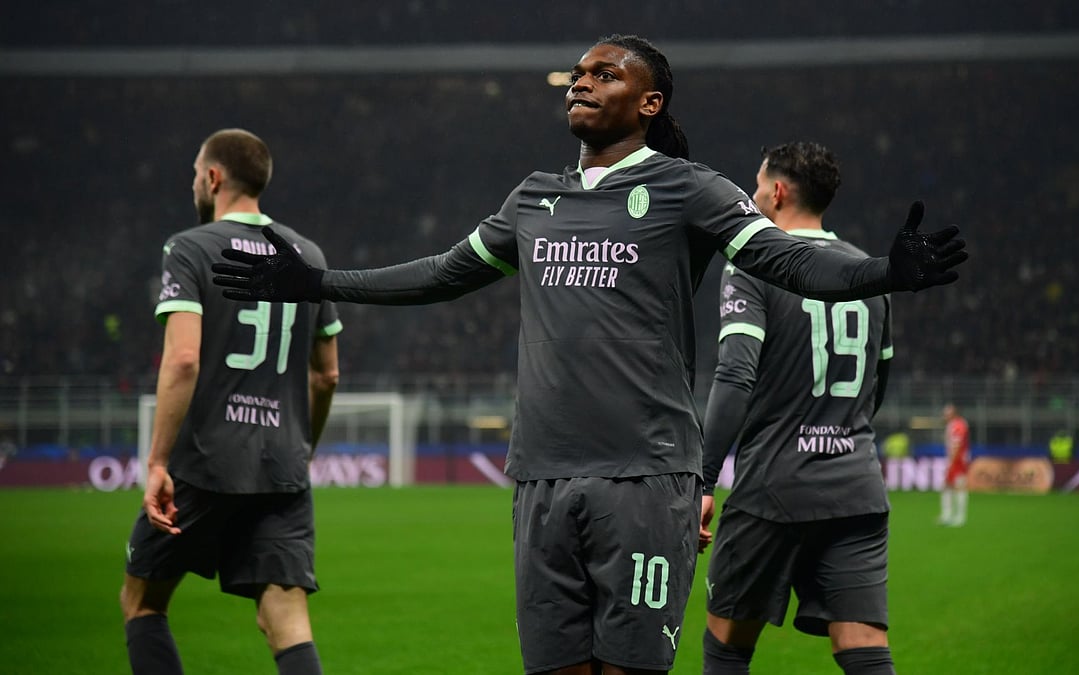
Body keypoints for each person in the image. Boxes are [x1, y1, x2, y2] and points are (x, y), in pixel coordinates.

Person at [211, 35, 965, 675]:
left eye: (605, 73)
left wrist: (882, 274)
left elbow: (791, 262)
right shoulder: (534, 198)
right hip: (540, 472)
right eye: (579, 71)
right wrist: (314, 281)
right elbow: (443, 272)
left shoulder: (687, 189)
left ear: (650, 103)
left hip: (644, 474)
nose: (582, 80)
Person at [120, 128, 342, 675]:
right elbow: (327, 376)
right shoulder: (307, 255)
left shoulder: (190, 248)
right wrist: (302, 450)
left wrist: (155, 463)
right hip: (281, 467)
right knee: (286, 622)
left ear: (213, 177)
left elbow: (183, 360)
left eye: (197, 172)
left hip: (204, 462)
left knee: (142, 602)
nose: (195, 181)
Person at [697, 142, 897, 675]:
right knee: (862, 646)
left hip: (774, 488)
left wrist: (703, 480)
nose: (753, 194)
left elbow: (735, 375)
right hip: (856, 486)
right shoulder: (872, 273)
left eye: (758, 185)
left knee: (727, 643)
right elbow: (879, 386)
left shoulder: (753, 265)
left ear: (778, 192)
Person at [938, 403, 970, 527]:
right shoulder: (952, 425)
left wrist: (951, 462)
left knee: (959, 486)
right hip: (954, 459)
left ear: (953, 414)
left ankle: (960, 517)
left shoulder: (958, 425)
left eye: (947, 413)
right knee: (947, 486)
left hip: (958, 461)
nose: (944, 415)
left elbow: (957, 445)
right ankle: (947, 515)